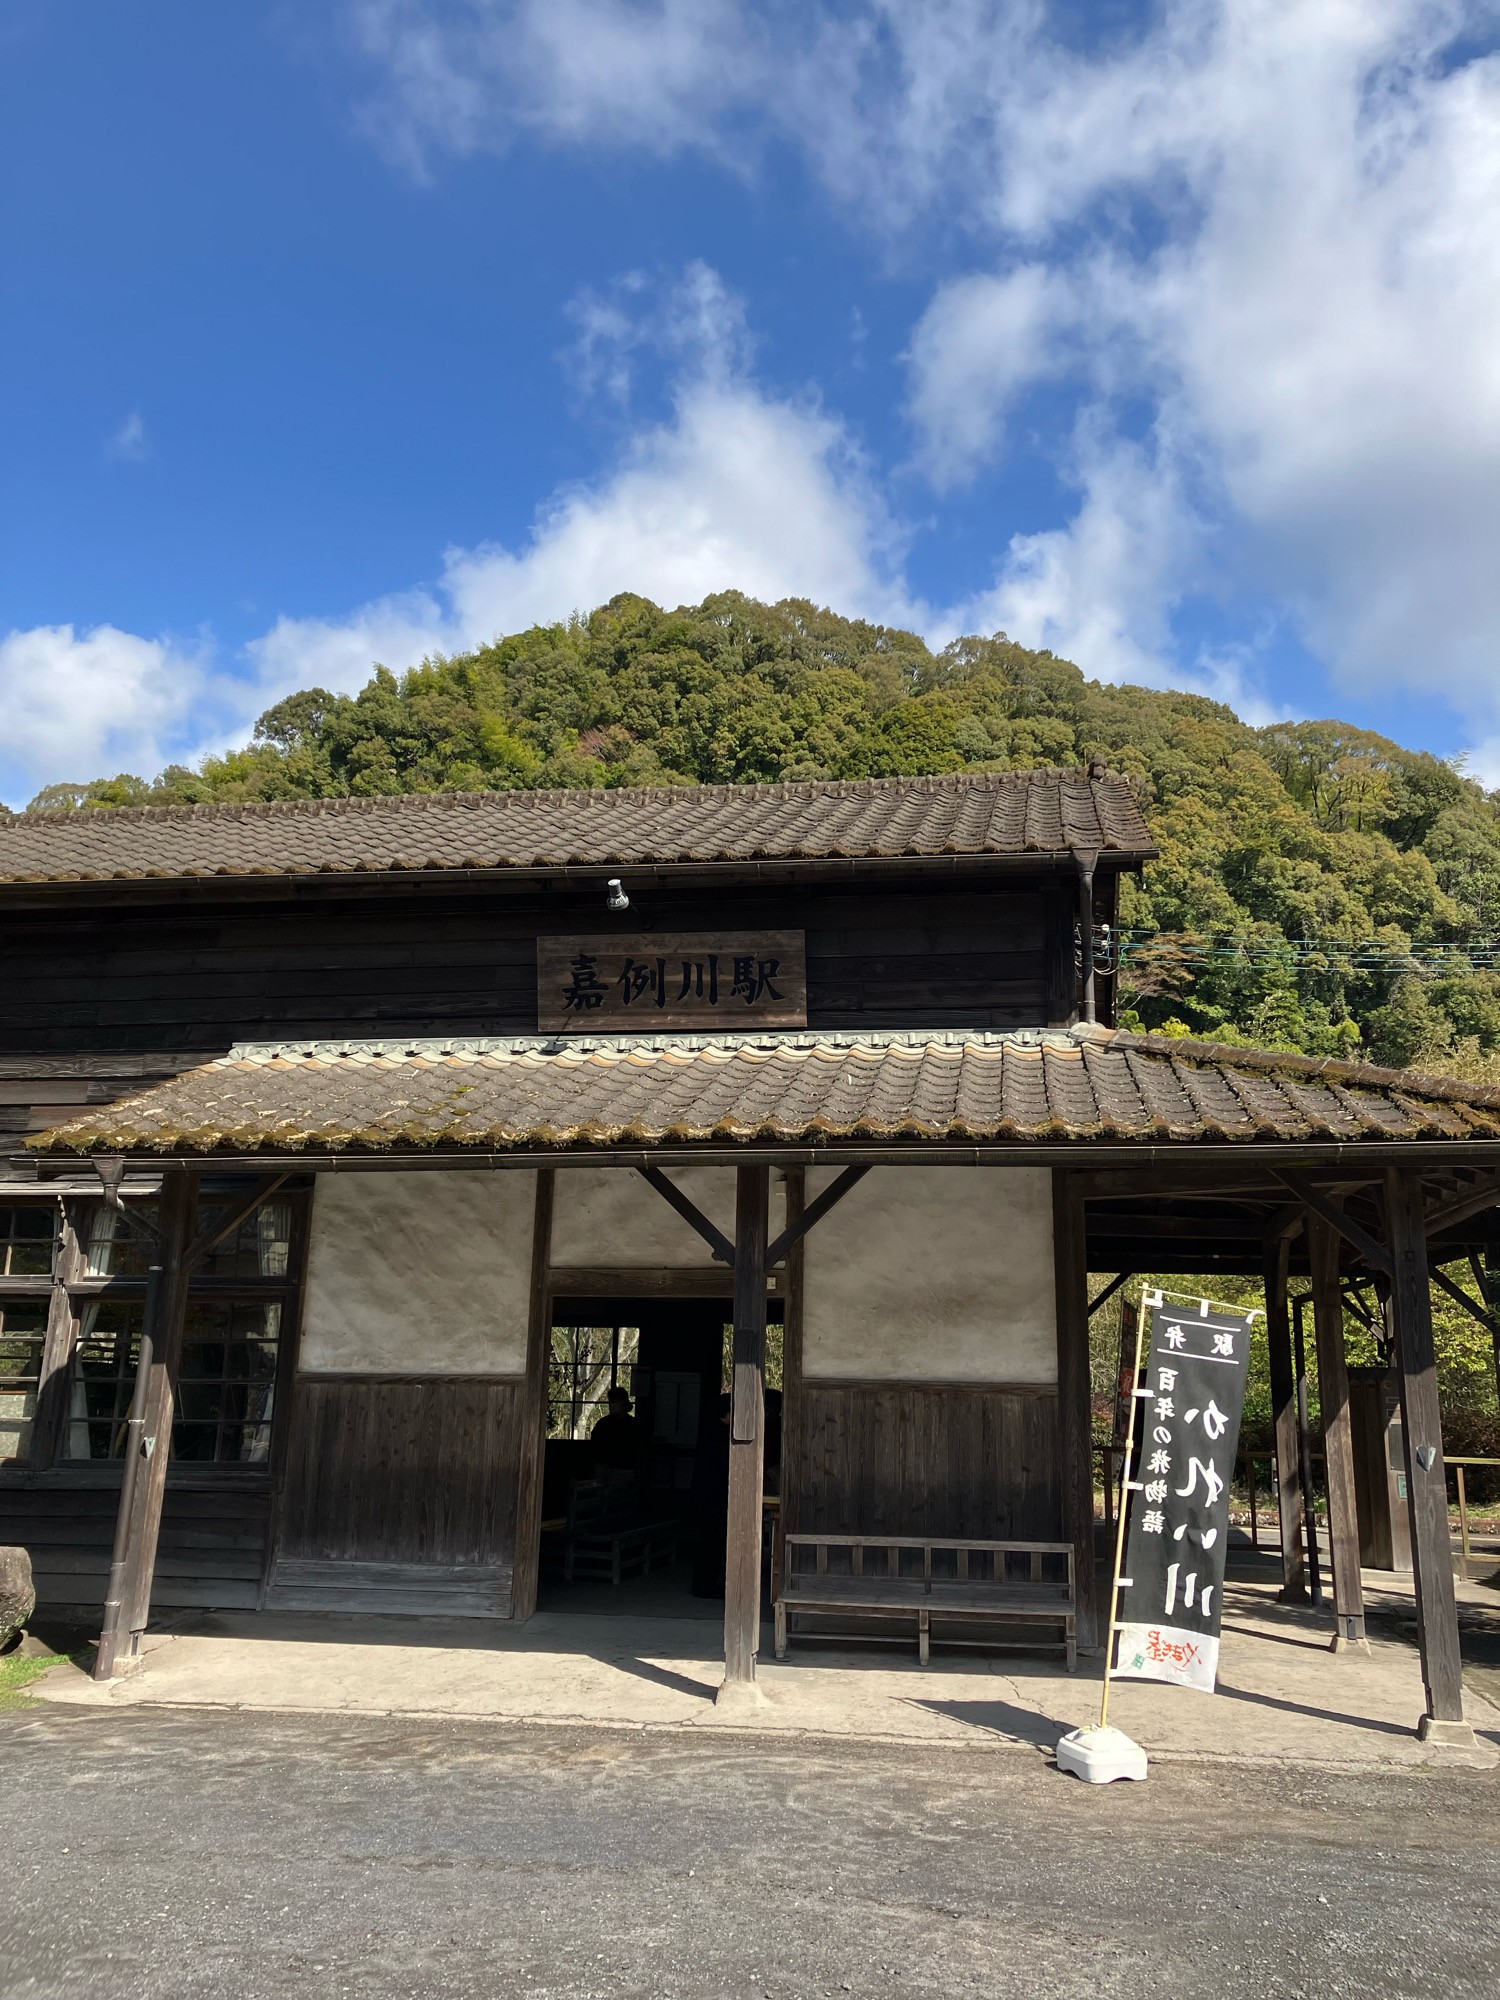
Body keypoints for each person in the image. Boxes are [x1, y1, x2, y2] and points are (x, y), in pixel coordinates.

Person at [690, 1392, 732, 1598]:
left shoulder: (709, 1433)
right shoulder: (721, 1436)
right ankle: (706, 1585)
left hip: (706, 1495)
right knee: (712, 1542)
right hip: (715, 1497)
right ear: (726, 1414)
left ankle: (703, 1583)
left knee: (709, 1542)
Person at [588, 1386, 646, 1474]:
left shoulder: (633, 1426)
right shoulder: (603, 1424)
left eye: (614, 1402)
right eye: (610, 1402)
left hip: (626, 1471)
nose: (611, 1405)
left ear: (623, 1403)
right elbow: (595, 1447)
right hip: (606, 1469)